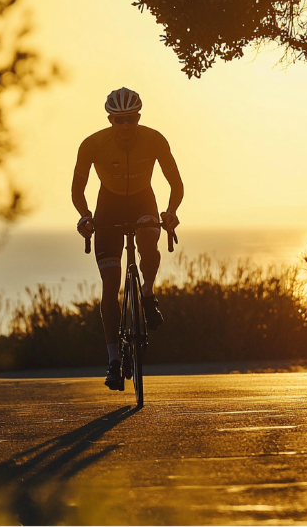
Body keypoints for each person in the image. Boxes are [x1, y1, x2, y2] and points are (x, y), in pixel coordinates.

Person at [71, 88, 184, 390]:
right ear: (110, 119)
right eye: (119, 119)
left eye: (131, 119)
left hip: (143, 201)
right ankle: (112, 360)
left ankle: (146, 291)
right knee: (110, 284)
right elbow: (77, 190)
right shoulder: (92, 144)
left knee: (149, 239)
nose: (125, 126)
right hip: (107, 207)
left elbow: (176, 183)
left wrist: (171, 212)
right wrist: (84, 216)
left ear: (139, 117)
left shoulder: (154, 139)